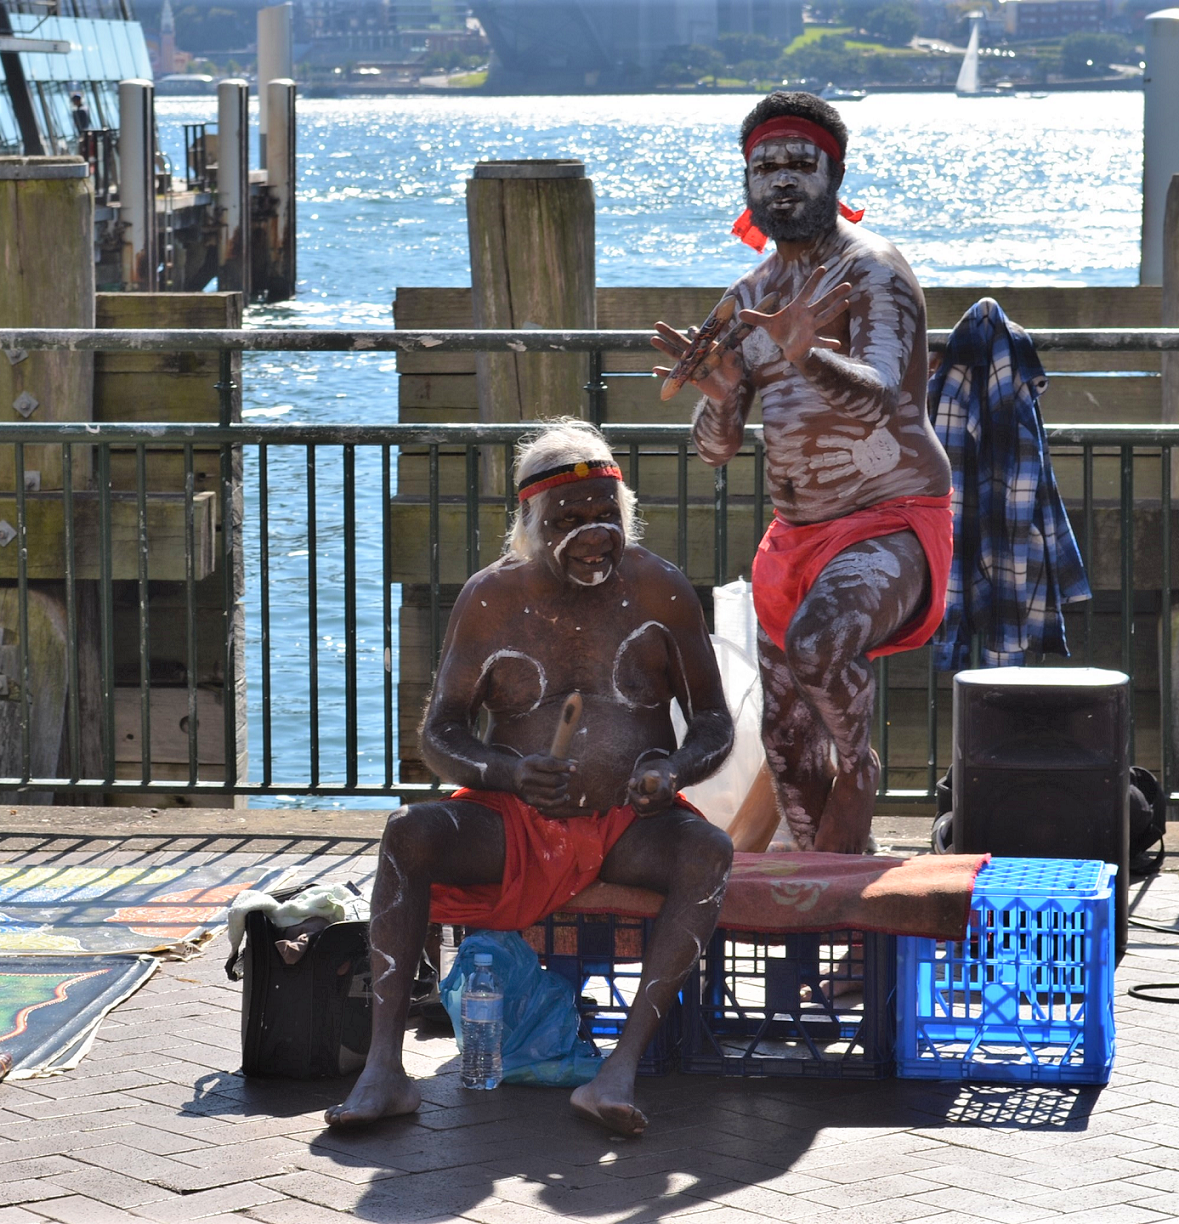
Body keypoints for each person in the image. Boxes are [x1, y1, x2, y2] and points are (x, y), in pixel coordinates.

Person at [327, 419, 736, 1138]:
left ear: (626, 515)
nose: (592, 533)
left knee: (709, 851)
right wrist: (509, 773)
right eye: (568, 519)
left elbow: (714, 725)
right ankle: (384, 1070)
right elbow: (440, 736)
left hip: (628, 825)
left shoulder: (662, 591)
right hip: (513, 822)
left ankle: (619, 1070)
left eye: (605, 516)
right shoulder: (491, 600)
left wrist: (670, 770)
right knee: (408, 834)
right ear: (528, 523)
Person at [653, 91, 953, 857]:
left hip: (889, 518)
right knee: (784, 742)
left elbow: (888, 392)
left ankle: (861, 770)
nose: (781, 180)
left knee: (822, 644)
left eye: (799, 164)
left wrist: (805, 353)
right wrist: (720, 403)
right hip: (794, 537)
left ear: (835, 172)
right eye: (765, 168)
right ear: (747, 183)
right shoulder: (747, 298)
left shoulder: (872, 271)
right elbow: (715, 447)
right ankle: (833, 916)